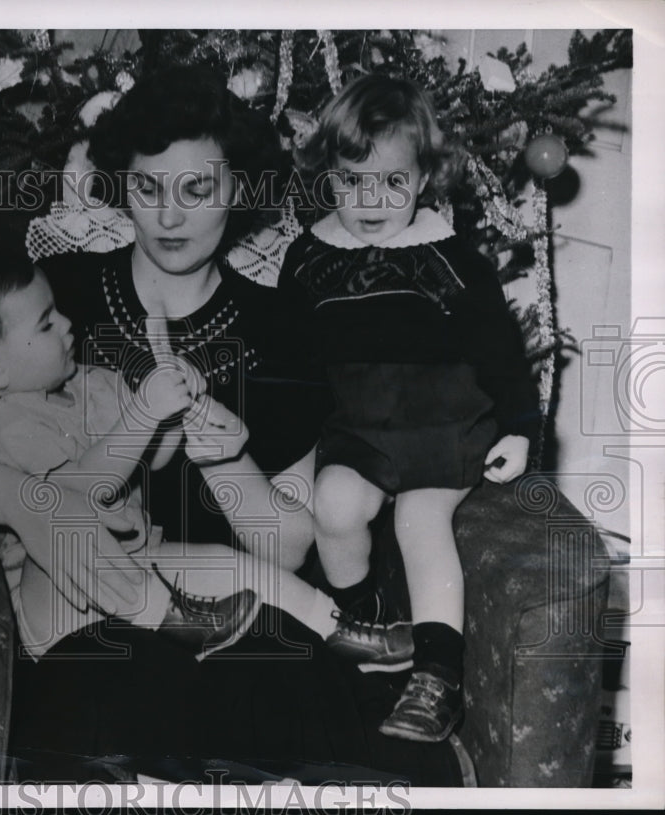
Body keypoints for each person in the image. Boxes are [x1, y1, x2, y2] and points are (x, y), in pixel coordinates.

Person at [0, 65, 469, 785]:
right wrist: (32, 503)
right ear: (123, 187)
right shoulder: (57, 299)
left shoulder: (281, 326)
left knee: (278, 685)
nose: (169, 217)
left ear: (237, 189)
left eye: (197, 190)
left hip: (239, 613)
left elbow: (289, 542)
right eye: (148, 189)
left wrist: (227, 459)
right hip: (89, 619)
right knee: (124, 683)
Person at [0, 247, 390, 660]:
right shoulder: (8, 419)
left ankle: (339, 630)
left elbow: (151, 459)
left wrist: (180, 408)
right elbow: (85, 492)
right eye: (48, 323)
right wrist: (143, 412)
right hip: (64, 589)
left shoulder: (89, 381)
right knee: (76, 532)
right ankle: (172, 618)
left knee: (228, 561)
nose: (69, 324)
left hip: (140, 555)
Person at [280, 73, 540, 742]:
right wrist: (284, 447)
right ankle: (365, 627)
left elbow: (503, 355)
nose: (370, 201)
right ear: (327, 175)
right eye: (350, 180)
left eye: (392, 182)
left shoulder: (451, 262)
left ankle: (437, 675)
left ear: (423, 177)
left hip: (441, 427)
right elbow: (295, 369)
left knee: (422, 523)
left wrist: (518, 427)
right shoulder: (309, 259)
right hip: (360, 429)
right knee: (334, 505)